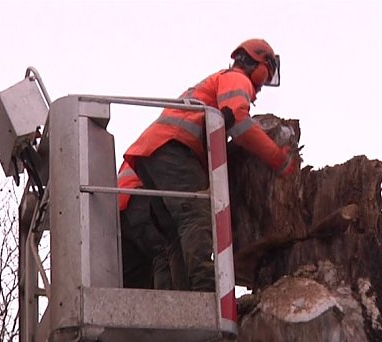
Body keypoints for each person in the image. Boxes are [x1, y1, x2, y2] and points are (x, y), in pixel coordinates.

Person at [118, 38, 298, 292]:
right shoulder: (237, 78)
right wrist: (279, 159)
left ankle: (180, 297)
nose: (264, 83)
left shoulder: (214, 84)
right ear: (259, 63)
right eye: (267, 72)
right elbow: (241, 123)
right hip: (174, 148)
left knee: (172, 236)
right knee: (196, 212)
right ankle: (203, 288)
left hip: (152, 156)